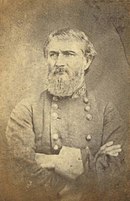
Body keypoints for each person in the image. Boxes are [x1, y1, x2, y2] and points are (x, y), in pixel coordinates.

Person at [5, 28, 127, 201]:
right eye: (53, 54)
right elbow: (20, 171)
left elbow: (118, 170)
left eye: (68, 54)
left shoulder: (106, 111)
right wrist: (76, 183)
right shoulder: (26, 110)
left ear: (87, 60)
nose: (59, 62)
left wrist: (53, 161)